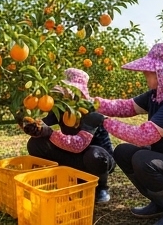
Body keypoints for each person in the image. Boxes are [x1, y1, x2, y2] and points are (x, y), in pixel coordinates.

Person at [78, 42, 163, 225]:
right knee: (123, 152)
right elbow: (125, 107)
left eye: (149, 71)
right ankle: (161, 203)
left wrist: (104, 121)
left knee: (143, 159)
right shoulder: (157, 95)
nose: (144, 74)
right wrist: (89, 102)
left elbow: (144, 136)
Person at [21, 68, 114, 204]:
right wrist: (30, 125)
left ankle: (101, 187)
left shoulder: (91, 111)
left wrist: (49, 132)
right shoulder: (61, 107)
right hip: (75, 155)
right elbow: (42, 123)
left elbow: (79, 144)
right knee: (35, 144)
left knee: (94, 155)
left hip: (96, 157)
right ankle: (62, 178)